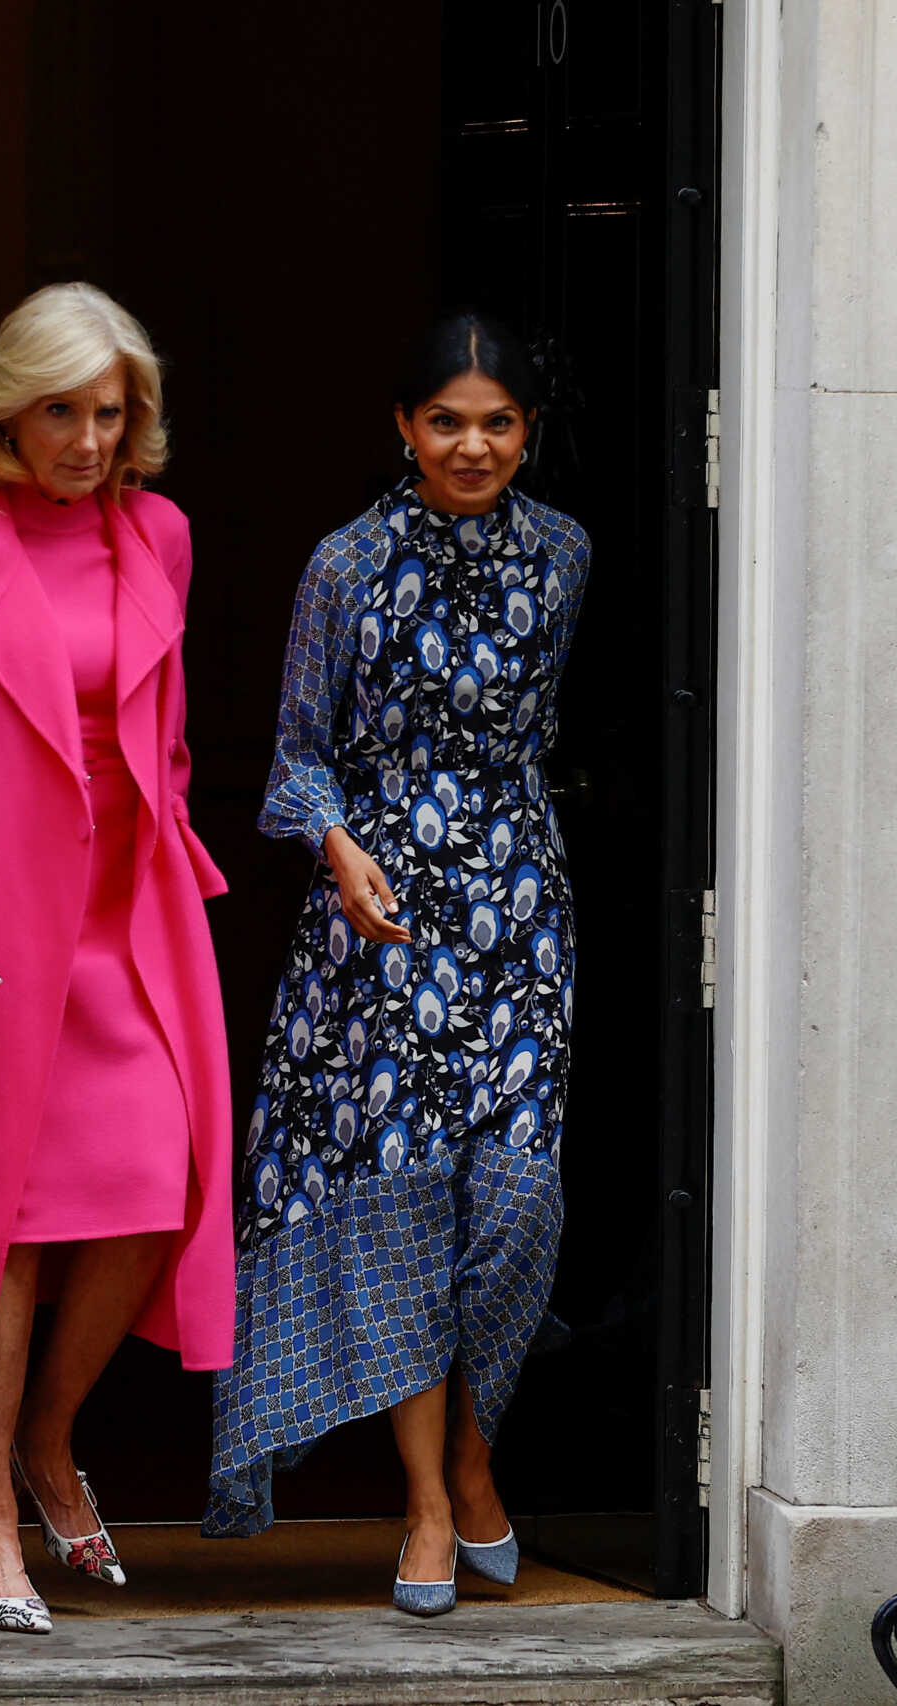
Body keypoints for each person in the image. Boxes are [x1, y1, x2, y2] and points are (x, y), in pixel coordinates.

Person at [0, 283, 234, 1634]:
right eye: (60, 409)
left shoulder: (160, 534)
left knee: (153, 1182)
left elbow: (167, 735)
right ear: (6, 408)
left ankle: (51, 1432)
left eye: (109, 410)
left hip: (127, 917)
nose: (85, 436)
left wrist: (174, 850)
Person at [205, 310, 591, 1617]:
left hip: (521, 908)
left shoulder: (565, 554)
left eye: (498, 422)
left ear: (528, 433)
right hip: (381, 913)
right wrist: (335, 843)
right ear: (403, 428)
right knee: (411, 1206)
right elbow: (299, 744)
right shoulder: (347, 563)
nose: (472, 444)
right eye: (447, 420)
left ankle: (480, 1446)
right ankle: (429, 1499)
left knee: (517, 1199)